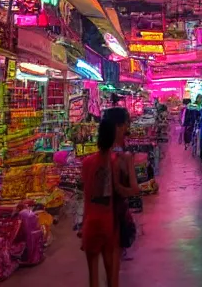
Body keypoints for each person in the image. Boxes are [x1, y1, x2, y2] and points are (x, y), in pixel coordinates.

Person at [82, 118, 136, 287]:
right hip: (108, 222)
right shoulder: (115, 162)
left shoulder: (86, 163)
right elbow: (130, 190)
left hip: (90, 222)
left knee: (93, 277)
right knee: (111, 275)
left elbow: (86, 195)